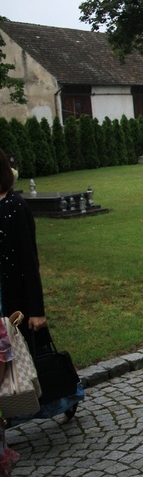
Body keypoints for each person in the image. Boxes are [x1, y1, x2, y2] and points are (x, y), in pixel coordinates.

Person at [0, 149, 48, 347]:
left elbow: (29, 260)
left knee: (18, 363)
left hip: (12, 301)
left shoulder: (15, 207)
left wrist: (36, 310)